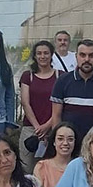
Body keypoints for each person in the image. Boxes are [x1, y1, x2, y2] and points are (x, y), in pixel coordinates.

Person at [50, 39, 93, 152]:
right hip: (69, 145)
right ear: (76, 57)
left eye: (91, 55)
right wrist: (58, 143)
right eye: (82, 55)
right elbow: (56, 116)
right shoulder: (62, 81)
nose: (87, 59)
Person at [19, 40, 62, 172]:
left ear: (51, 55)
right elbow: (25, 103)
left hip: (53, 128)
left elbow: (61, 103)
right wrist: (38, 128)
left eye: (46, 53)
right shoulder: (27, 76)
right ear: (35, 56)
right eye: (39, 53)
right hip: (31, 129)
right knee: (27, 169)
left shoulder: (60, 76)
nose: (42, 56)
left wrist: (47, 126)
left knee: (51, 169)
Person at [33, 122, 78, 187]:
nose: (65, 143)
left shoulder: (82, 167)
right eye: (60, 139)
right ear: (54, 142)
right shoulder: (42, 167)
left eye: (70, 139)